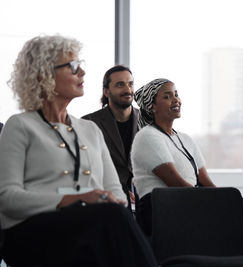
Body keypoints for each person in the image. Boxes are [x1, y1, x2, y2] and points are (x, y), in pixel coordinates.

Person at [0, 35, 157, 267]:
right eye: (73, 66)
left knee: (114, 215)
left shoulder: (90, 129)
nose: (82, 72)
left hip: (91, 225)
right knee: (111, 221)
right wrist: (75, 198)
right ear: (44, 75)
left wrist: (109, 199)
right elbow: (7, 199)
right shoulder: (20, 125)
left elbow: (116, 191)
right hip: (31, 231)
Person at [131, 78, 243, 255]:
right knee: (239, 207)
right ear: (152, 107)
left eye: (176, 95)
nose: (176, 100)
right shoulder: (147, 137)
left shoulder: (185, 139)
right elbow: (177, 184)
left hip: (189, 201)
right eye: (167, 96)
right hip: (161, 208)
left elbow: (207, 183)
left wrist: (226, 202)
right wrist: (214, 203)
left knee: (240, 206)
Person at [82, 65, 139, 209]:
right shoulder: (88, 123)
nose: (128, 90)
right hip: (106, 197)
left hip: (144, 197)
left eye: (130, 84)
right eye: (120, 85)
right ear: (106, 91)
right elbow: (86, 167)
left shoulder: (148, 122)